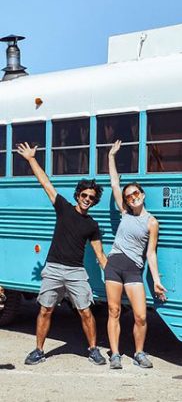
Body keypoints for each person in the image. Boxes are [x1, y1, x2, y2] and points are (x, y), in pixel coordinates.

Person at [16, 142, 107, 366]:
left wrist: (116, 276)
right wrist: (31, 159)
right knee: (45, 309)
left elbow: (100, 255)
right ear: (77, 195)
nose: (87, 199)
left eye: (91, 197)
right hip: (54, 268)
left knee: (86, 312)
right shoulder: (64, 208)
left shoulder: (92, 225)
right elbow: (46, 183)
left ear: (95, 201)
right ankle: (38, 350)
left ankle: (93, 350)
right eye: (84, 195)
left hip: (76, 271)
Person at [104, 140, 167, 369]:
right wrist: (111, 156)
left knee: (140, 316)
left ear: (142, 194)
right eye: (129, 196)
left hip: (133, 268)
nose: (132, 197)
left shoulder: (152, 222)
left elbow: (151, 253)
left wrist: (157, 280)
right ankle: (115, 354)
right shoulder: (124, 212)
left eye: (135, 193)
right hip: (114, 265)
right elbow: (114, 183)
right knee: (114, 310)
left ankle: (139, 353)